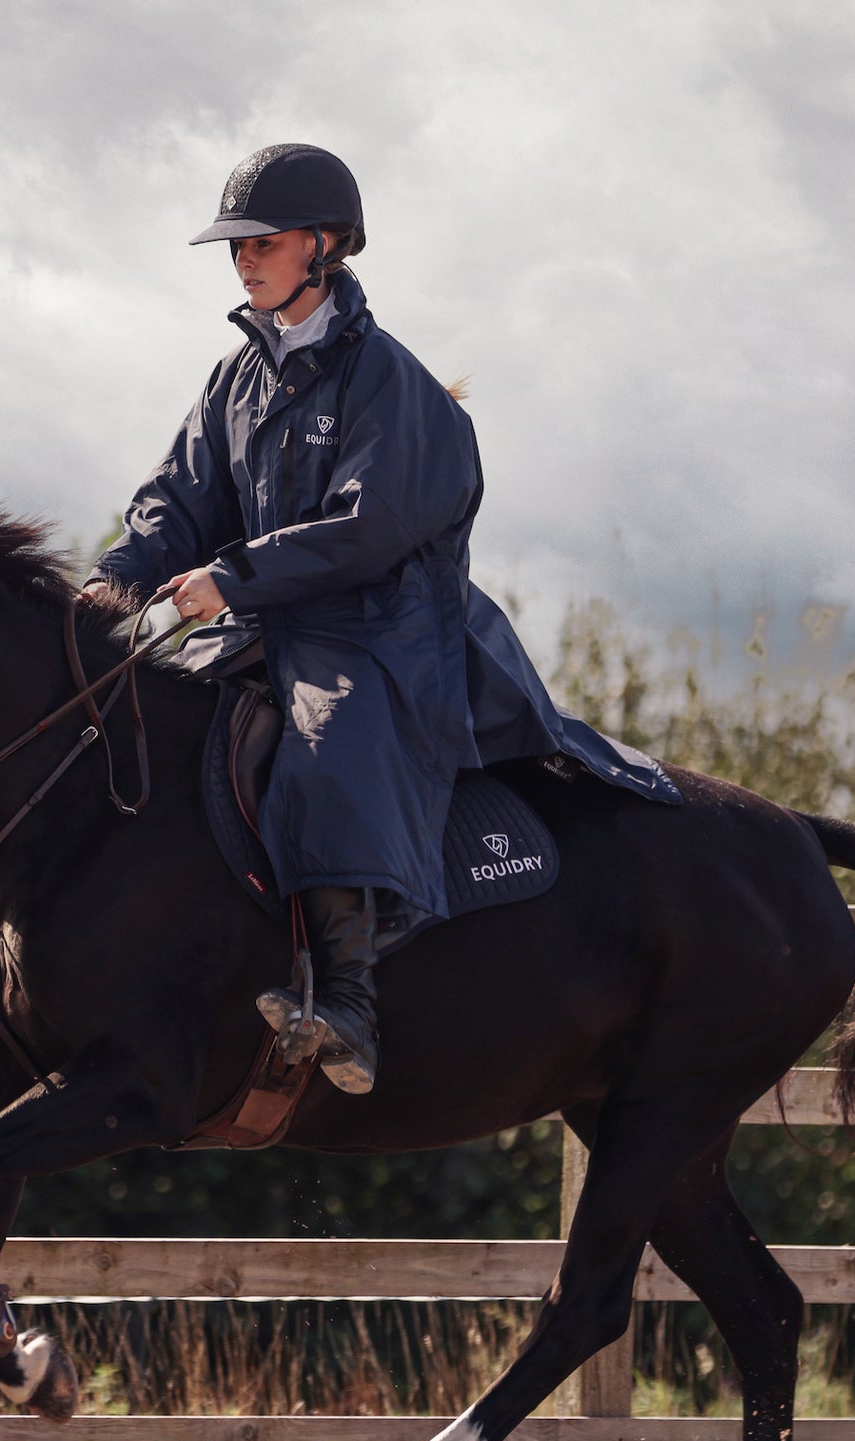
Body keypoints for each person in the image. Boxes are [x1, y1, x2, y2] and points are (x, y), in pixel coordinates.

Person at [86, 143, 679, 1095]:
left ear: (324, 246)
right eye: (233, 247)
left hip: (380, 632)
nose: (242, 260)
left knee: (331, 734)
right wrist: (116, 579)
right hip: (263, 624)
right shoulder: (233, 381)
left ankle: (350, 996)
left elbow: (370, 531)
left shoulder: (391, 384)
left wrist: (232, 578)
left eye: (261, 242)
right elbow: (177, 499)